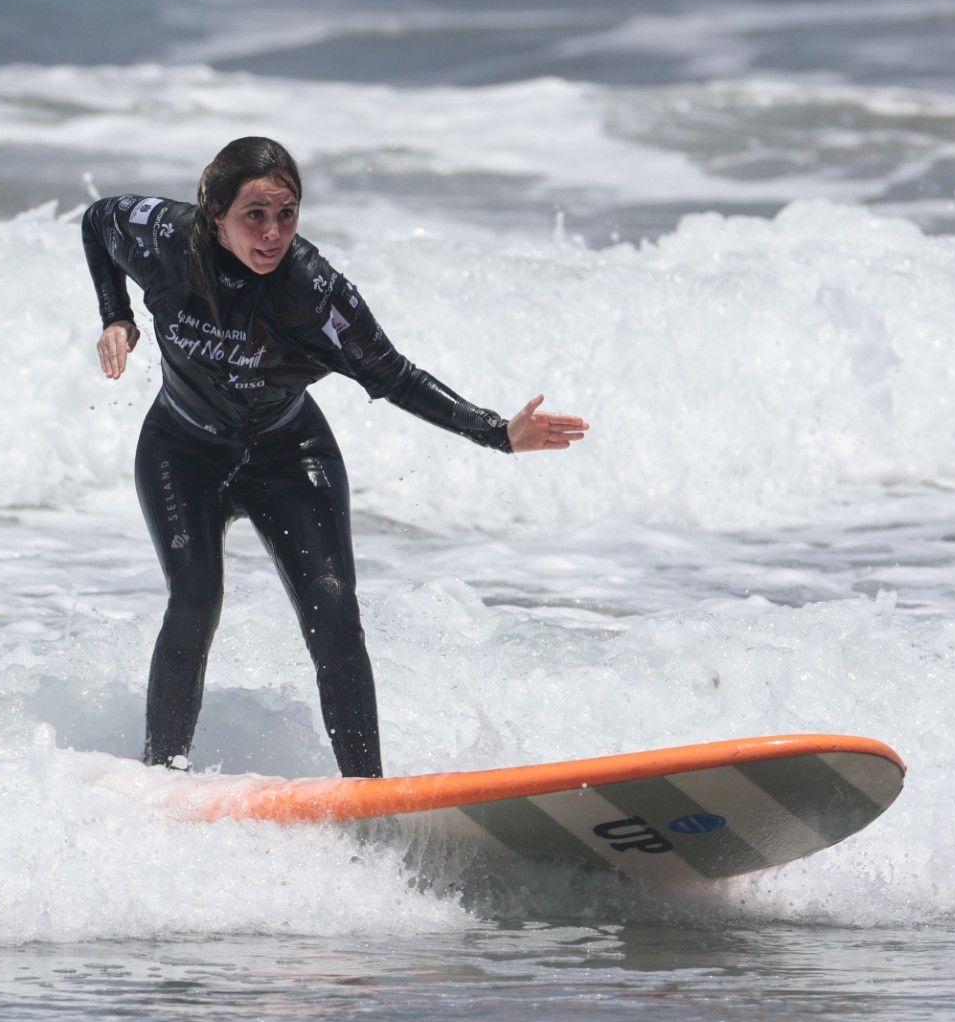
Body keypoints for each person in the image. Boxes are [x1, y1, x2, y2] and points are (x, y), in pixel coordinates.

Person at [80, 136, 587, 779]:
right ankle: (163, 777)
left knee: (334, 609)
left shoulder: (314, 293)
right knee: (195, 597)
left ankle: (366, 794)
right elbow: (97, 222)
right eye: (254, 216)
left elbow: (397, 376)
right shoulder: (164, 240)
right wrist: (116, 315)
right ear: (215, 216)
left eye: (287, 214)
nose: (273, 234)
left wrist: (498, 433)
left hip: (287, 453)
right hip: (183, 449)